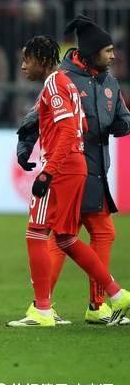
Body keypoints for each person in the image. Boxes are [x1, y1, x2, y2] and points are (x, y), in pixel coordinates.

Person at [7, 35, 130, 327]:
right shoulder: (68, 84)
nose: (23, 67)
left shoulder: (53, 84)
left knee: (36, 233)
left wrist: (48, 171)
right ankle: (116, 294)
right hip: (77, 166)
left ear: (41, 60)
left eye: (27, 60)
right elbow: (81, 124)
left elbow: (66, 130)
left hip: (61, 168)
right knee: (65, 237)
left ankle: (42, 311)